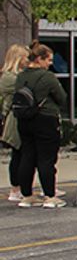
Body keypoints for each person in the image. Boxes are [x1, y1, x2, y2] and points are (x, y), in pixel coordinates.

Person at [13, 43, 67, 208]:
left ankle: (27, 195)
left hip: (24, 120)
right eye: (48, 59)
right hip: (45, 119)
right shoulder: (47, 77)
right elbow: (62, 98)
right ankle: (50, 196)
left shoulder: (21, 76)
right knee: (46, 159)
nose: (50, 63)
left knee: (27, 156)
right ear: (39, 59)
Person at [2, 43, 29, 203]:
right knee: (18, 154)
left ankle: (21, 186)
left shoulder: (16, 76)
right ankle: (15, 188)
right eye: (25, 58)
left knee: (23, 154)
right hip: (15, 119)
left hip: (19, 116)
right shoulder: (10, 78)